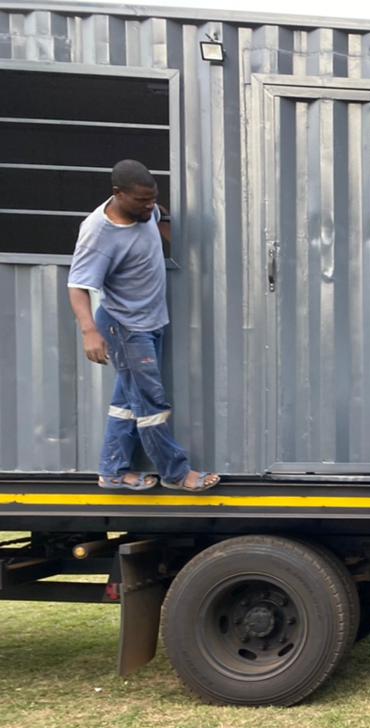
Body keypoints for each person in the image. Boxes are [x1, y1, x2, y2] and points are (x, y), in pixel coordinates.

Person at [67, 159, 219, 493]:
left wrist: (164, 220)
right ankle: (176, 473)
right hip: (124, 326)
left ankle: (112, 471)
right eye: (142, 201)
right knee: (150, 402)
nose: (149, 206)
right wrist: (89, 331)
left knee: (128, 400)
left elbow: (160, 223)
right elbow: (77, 285)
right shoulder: (98, 233)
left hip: (151, 320)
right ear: (117, 194)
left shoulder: (144, 209)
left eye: (152, 199)